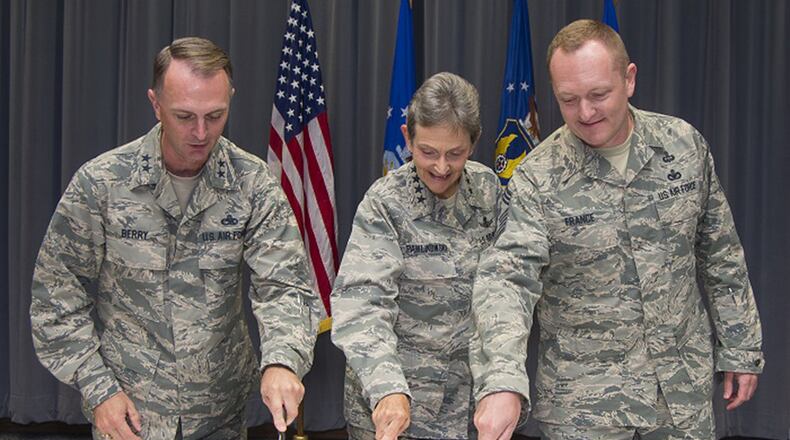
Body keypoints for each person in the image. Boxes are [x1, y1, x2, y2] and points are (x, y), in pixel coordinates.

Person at [471, 19, 764, 440]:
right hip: (585, 407)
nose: (585, 113)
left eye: (598, 95)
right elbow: (506, 281)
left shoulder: (683, 146)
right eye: (568, 100)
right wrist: (501, 380)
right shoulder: (537, 178)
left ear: (629, 79)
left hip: (679, 394)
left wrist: (740, 345)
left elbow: (720, 252)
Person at [30, 37, 320, 440]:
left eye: (215, 115)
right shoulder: (103, 184)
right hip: (130, 413)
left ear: (230, 99)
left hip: (221, 413)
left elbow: (286, 287)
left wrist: (282, 361)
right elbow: (56, 298)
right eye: (184, 116)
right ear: (155, 104)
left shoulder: (253, 185)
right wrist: (99, 389)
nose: (201, 133)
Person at [331, 72, 500, 440]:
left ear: (474, 143)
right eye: (428, 152)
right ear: (407, 137)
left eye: (455, 154)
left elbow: (508, 288)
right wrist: (387, 387)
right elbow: (362, 304)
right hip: (395, 405)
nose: (441, 167)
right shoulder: (385, 203)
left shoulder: (490, 191)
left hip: (470, 407)